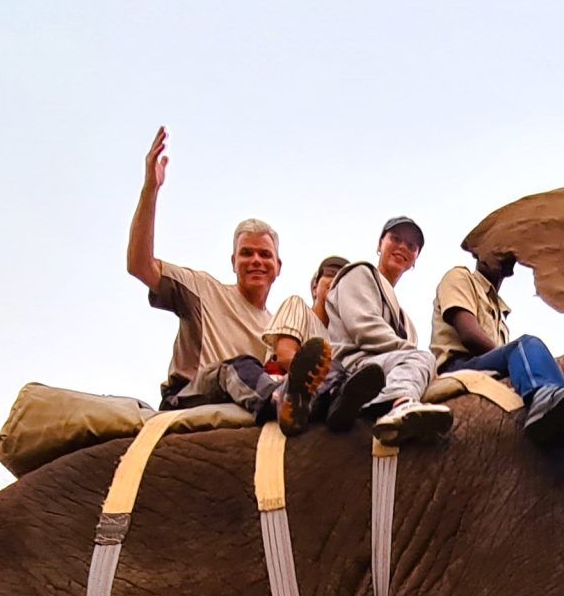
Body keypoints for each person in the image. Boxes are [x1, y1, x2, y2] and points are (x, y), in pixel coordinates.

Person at [123, 127, 327, 418]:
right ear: (233, 261)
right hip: (193, 395)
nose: (256, 260)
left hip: (245, 401)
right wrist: (150, 189)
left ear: (278, 267)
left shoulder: (275, 327)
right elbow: (140, 265)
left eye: (265, 254)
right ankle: (280, 402)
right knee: (236, 367)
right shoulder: (202, 290)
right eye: (247, 253)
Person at [432, 249, 564, 443]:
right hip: (459, 368)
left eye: (504, 254)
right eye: (492, 250)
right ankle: (542, 395)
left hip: (486, 370)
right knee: (525, 345)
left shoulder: (500, 309)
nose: (497, 256)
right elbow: (469, 335)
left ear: (512, 266)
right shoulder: (460, 277)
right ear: (478, 254)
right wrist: (513, 359)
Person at [321, 216, 452, 446]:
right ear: (379, 244)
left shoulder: (406, 321)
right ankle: (399, 405)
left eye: (411, 245)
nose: (403, 246)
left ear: (415, 259)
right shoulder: (359, 272)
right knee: (422, 357)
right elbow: (364, 327)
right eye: (396, 238)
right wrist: (421, 358)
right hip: (355, 366)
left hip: (389, 365)